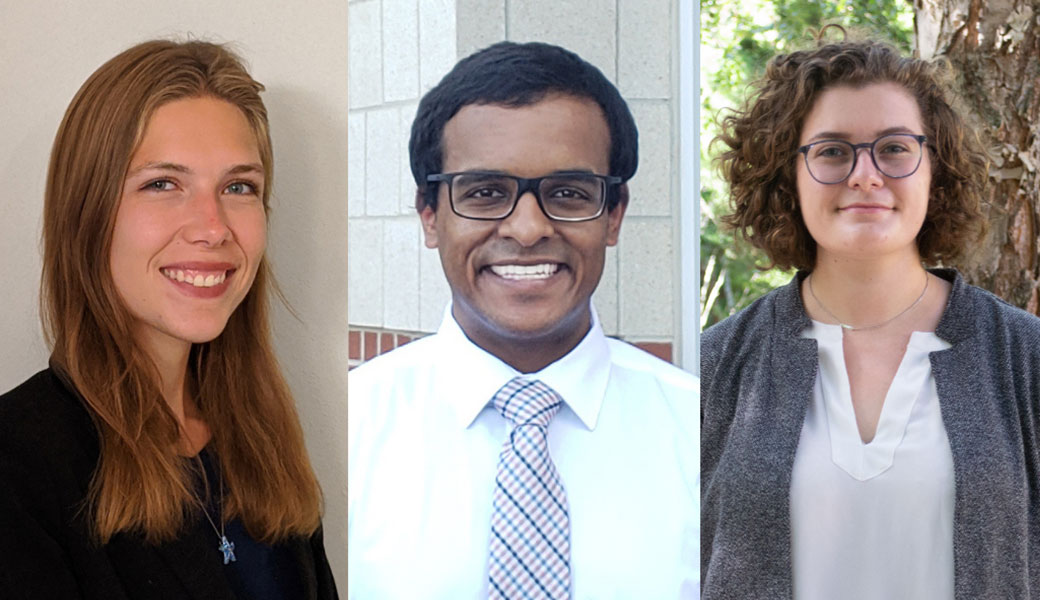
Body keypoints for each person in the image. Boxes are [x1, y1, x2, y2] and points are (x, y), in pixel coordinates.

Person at [348, 41, 698, 599]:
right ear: (429, 215)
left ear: (614, 215)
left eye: (567, 192)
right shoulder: (348, 431)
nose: (529, 228)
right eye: (486, 193)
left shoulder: (704, 434)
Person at [700, 31, 1040, 600]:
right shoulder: (714, 367)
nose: (865, 174)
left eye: (894, 148)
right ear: (788, 176)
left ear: (937, 168)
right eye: (832, 150)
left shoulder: (1026, 359)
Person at [0, 40, 337, 599]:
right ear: (88, 214)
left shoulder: (262, 438)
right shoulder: (18, 468)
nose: (213, 226)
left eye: (238, 187)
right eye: (162, 184)